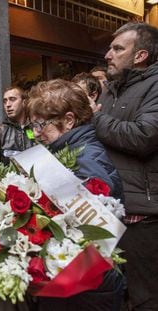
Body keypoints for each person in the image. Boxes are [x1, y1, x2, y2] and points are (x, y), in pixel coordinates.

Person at [26, 79, 124, 311]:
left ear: (69, 120)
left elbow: (95, 231)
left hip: (87, 289)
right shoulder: (67, 152)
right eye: (32, 127)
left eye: (41, 125)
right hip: (79, 284)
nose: (36, 134)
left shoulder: (87, 159)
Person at [91, 22, 158, 310]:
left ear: (140, 55)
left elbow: (144, 136)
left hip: (143, 219)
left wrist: (95, 118)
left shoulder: (155, 86)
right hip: (108, 213)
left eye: (118, 48)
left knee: (145, 299)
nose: (108, 54)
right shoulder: (111, 90)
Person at [0, 86, 34, 165]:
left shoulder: (36, 129)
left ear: (24, 102)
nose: (8, 105)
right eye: (5, 101)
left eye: (12, 99)